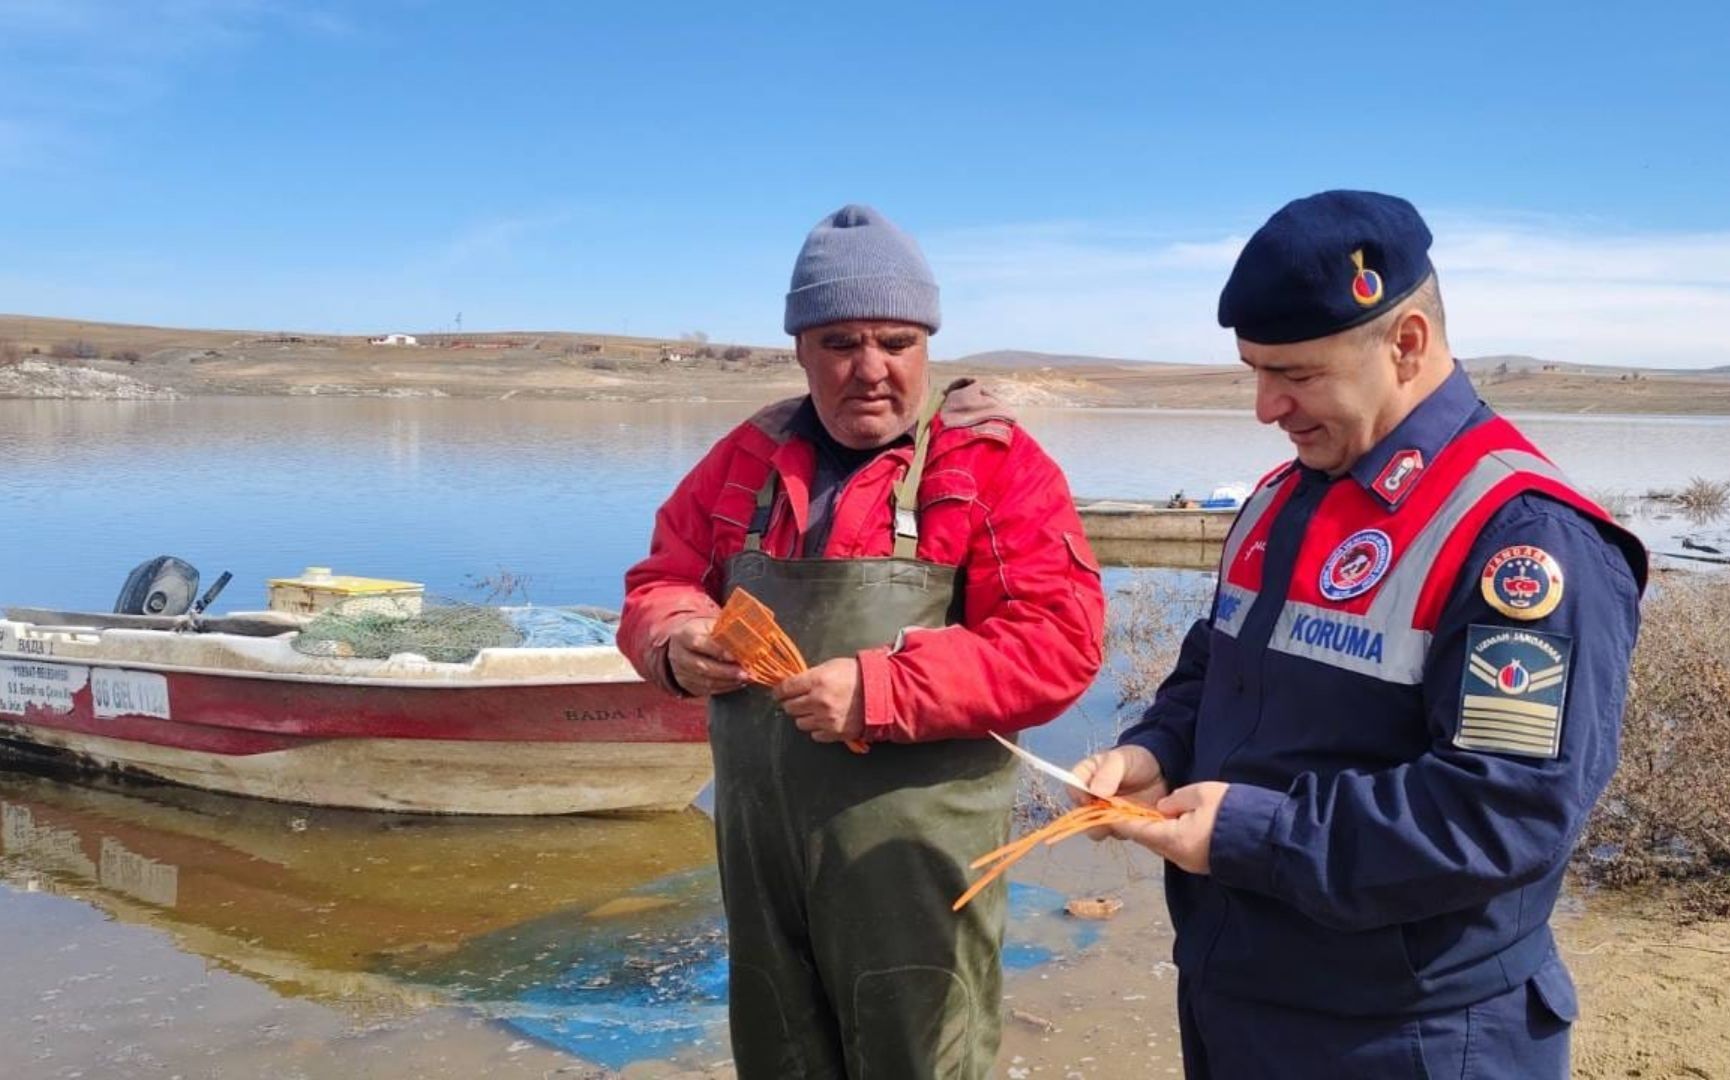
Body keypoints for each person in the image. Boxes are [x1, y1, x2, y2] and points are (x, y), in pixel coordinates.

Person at [1072, 190, 1647, 1079]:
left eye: (1296, 375)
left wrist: (1253, 834)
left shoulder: (1520, 539)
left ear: (1406, 343)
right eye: (1254, 372)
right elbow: (1213, 666)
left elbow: (1504, 811)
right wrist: (1157, 746)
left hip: (1408, 1032)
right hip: (1241, 999)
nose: (1267, 406)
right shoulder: (1282, 498)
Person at [619, 204, 1105, 1079]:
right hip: (763, 858)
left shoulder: (992, 464)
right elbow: (661, 578)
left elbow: (1058, 644)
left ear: (927, 344)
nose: (870, 370)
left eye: (896, 341)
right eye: (841, 341)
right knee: (777, 1049)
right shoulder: (745, 459)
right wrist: (676, 637)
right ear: (800, 347)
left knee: (921, 1054)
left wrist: (883, 690)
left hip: (916, 864)